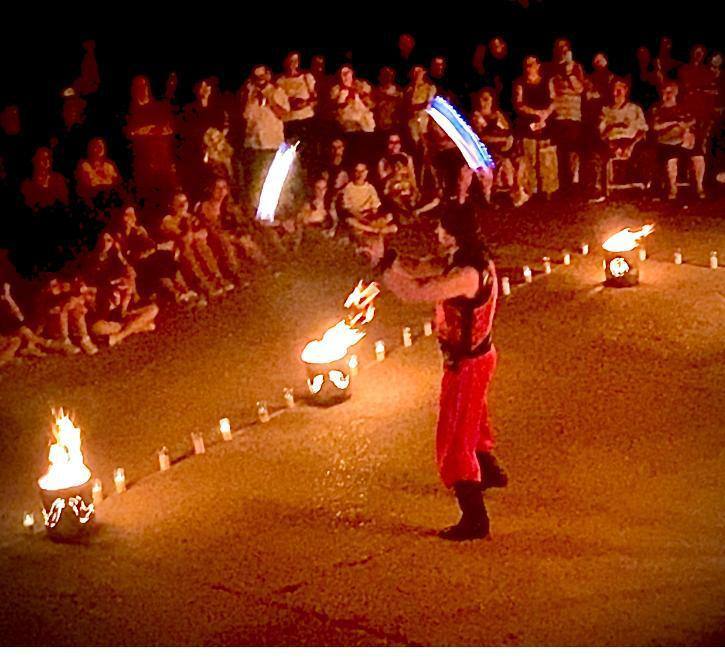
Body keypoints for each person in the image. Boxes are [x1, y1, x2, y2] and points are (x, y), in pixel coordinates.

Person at [383, 203, 507, 541]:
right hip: (478, 358)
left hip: (467, 364)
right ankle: (490, 471)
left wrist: (384, 270)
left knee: (455, 438)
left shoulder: (465, 274)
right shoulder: (466, 258)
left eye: (441, 228)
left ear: (453, 233)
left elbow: (417, 292)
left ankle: (474, 518)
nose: (436, 233)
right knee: (474, 416)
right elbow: (420, 267)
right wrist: (386, 256)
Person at [240, 65, 290, 212]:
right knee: (255, 181)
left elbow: (284, 114)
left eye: (262, 77)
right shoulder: (249, 93)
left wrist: (269, 101)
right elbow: (245, 116)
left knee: (273, 180)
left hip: (272, 144)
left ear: (268, 75)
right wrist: (251, 96)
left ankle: (272, 212)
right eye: (257, 78)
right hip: (254, 144)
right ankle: (254, 213)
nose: (260, 81)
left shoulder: (277, 92)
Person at [513, 55, 558, 201]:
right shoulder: (520, 83)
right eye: (526, 65)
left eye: (532, 64)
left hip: (546, 123)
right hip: (528, 124)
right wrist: (535, 113)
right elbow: (519, 104)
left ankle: (548, 189)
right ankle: (531, 189)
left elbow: (554, 101)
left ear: (538, 65)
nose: (529, 67)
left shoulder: (547, 82)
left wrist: (545, 114)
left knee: (546, 157)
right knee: (529, 157)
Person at [649, 81, 705, 199]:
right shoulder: (657, 109)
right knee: (671, 160)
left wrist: (685, 128)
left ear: (675, 93)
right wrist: (673, 123)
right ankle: (673, 188)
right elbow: (656, 126)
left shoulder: (683, 108)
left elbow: (692, 120)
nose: (666, 96)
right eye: (663, 93)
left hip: (684, 140)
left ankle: (699, 186)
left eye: (669, 92)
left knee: (698, 157)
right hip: (667, 142)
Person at [125, 76, 176, 204]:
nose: (142, 89)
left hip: (162, 162)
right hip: (142, 164)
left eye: (144, 85)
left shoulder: (158, 107)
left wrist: (148, 130)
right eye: (138, 86)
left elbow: (167, 129)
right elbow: (130, 133)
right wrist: (147, 130)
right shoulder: (130, 112)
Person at [595, 78, 649, 193]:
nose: (617, 91)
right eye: (615, 88)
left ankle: (645, 187)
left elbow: (643, 130)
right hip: (612, 142)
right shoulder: (606, 111)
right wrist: (613, 146)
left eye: (620, 88)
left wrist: (631, 145)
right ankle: (600, 189)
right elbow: (601, 133)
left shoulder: (635, 109)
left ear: (626, 90)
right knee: (598, 152)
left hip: (632, 141)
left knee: (647, 152)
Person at [341, 162, 396, 265]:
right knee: (349, 221)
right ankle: (374, 230)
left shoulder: (370, 188)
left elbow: (375, 207)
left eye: (362, 171)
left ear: (366, 173)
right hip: (358, 218)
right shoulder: (348, 188)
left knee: (390, 219)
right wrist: (364, 219)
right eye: (357, 171)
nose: (360, 174)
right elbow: (350, 210)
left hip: (370, 217)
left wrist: (373, 216)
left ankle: (379, 253)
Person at [548, 41, 585, 189]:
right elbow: (552, 92)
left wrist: (569, 73)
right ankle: (563, 184)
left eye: (565, 48)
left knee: (573, 149)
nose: (562, 51)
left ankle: (574, 182)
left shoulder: (576, 67)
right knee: (561, 150)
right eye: (560, 48)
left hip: (574, 115)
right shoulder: (553, 69)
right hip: (559, 116)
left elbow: (580, 89)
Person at [276, 52, 317, 144]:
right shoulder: (280, 82)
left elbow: (314, 98)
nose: (292, 64)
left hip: (306, 119)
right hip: (289, 121)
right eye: (290, 61)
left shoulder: (307, 78)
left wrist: (305, 103)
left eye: (295, 61)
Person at [75, 137, 122, 205]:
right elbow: (90, 184)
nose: (100, 148)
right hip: (92, 200)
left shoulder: (109, 166)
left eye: (101, 146)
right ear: (91, 149)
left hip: (110, 200)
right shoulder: (85, 166)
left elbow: (116, 183)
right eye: (97, 146)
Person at [404, 66, 436, 147]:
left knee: (425, 144)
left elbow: (429, 104)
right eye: (414, 72)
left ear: (423, 72)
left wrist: (416, 107)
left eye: (419, 71)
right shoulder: (409, 89)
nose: (416, 74)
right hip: (411, 122)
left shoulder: (429, 88)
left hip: (424, 122)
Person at [373, 67, 403, 134]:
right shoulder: (376, 92)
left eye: (388, 75)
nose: (386, 78)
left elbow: (401, 109)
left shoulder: (398, 92)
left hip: (395, 126)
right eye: (384, 75)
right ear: (380, 77)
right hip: (379, 127)